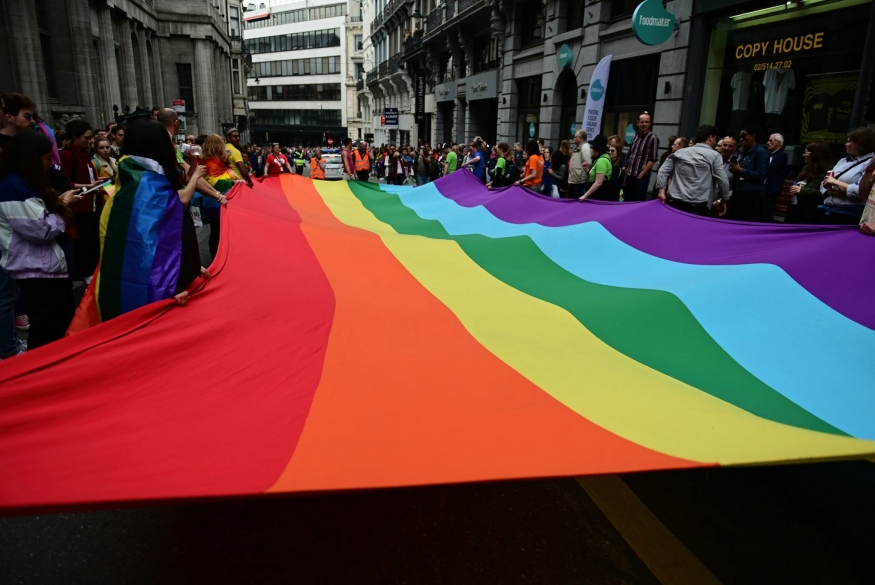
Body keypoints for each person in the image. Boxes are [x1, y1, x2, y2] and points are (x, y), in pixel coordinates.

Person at [0, 130, 80, 348]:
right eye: (46, 158)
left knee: (59, 326)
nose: (50, 163)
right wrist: (64, 206)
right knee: (47, 331)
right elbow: (41, 230)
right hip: (37, 271)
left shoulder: (26, 183)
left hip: (49, 269)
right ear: (31, 158)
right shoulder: (13, 187)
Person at [59, 119, 104, 281]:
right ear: (74, 136)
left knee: (92, 239)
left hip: (92, 203)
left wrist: (96, 183)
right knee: (83, 242)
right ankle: (84, 272)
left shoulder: (85, 154)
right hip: (79, 205)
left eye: (91, 137)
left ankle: (93, 269)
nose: (90, 141)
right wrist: (88, 185)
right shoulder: (67, 154)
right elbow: (65, 182)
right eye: (86, 137)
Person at [656, 125, 730, 217]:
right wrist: (724, 199)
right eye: (715, 138)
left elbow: (663, 170)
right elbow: (722, 179)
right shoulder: (715, 155)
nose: (715, 141)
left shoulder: (680, 152)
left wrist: (661, 192)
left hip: (675, 200)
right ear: (711, 137)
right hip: (698, 203)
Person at [819, 126, 875, 223]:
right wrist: (834, 192)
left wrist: (835, 182)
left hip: (848, 215)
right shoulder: (843, 161)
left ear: (860, 143)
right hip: (828, 210)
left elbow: (861, 192)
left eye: (849, 141)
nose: (846, 144)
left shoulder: (870, 164)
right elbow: (824, 183)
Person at [201, 134, 237, 259]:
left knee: (220, 231)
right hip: (216, 201)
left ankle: (220, 256)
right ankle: (217, 258)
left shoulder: (216, 161)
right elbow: (216, 182)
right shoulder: (211, 162)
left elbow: (229, 177)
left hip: (218, 200)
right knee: (217, 231)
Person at [728, 124, 769, 222]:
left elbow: (761, 174)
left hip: (751, 194)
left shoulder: (760, 152)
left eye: (744, 136)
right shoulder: (744, 151)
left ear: (753, 135)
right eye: (740, 137)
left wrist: (741, 171)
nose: (742, 139)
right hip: (739, 190)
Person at [787, 141, 830, 224]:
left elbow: (824, 193)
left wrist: (802, 190)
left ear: (815, 154)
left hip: (811, 212)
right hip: (797, 208)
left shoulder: (827, 171)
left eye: (806, 152)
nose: (803, 155)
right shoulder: (806, 167)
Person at [623, 112, 659, 201]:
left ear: (650, 123)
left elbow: (653, 159)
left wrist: (641, 175)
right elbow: (630, 153)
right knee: (627, 200)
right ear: (638, 122)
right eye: (642, 122)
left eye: (646, 122)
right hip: (630, 174)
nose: (644, 124)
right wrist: (625, 167)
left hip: (641, 177)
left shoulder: (653, 138)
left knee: (638, 201)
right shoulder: (635, 136)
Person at [760, 133, 788, 222]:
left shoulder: (782, 155)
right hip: (765, 187)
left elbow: (768, 169)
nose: (768, 142)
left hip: (771, 189)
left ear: (778, 143)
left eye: (771, 140)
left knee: (768, 212)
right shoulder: (769, 155)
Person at [578, 134, 614, 201]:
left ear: (595, 149)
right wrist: (587, 170)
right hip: (600, 193)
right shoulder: (602, 158)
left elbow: (598, 183)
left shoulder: (602, 160)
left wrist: (585, 195)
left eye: (591, 147)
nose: (591, 149)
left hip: (599, 194)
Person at [567, 130, 592, 200]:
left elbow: (588, 163)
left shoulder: (585, 148)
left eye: (575, 137)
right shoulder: (578, 148)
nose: (573, 138)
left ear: (580, 138)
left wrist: (584, 174)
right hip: (575, 180)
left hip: (580, 181)